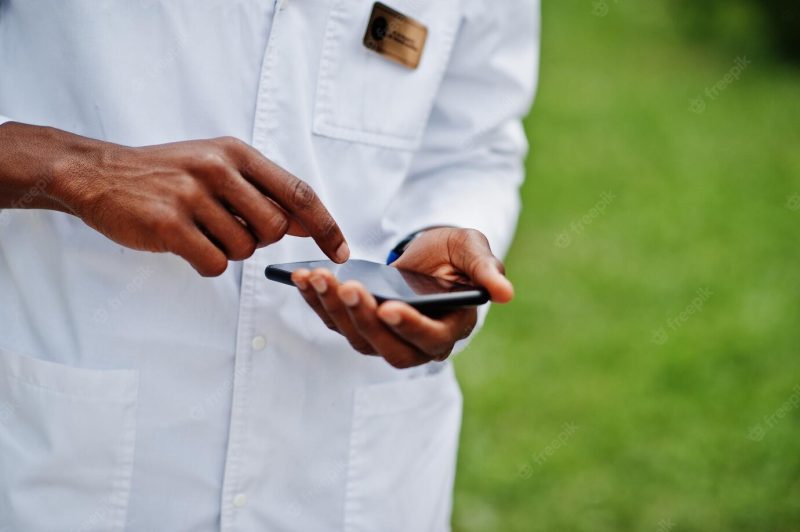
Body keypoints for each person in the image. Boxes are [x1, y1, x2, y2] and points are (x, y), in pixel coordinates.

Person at [0, 1, 539, 530]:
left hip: (361, 471)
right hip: (76, 453)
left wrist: (430, 253)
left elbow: (473, 148)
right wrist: (77, 172)